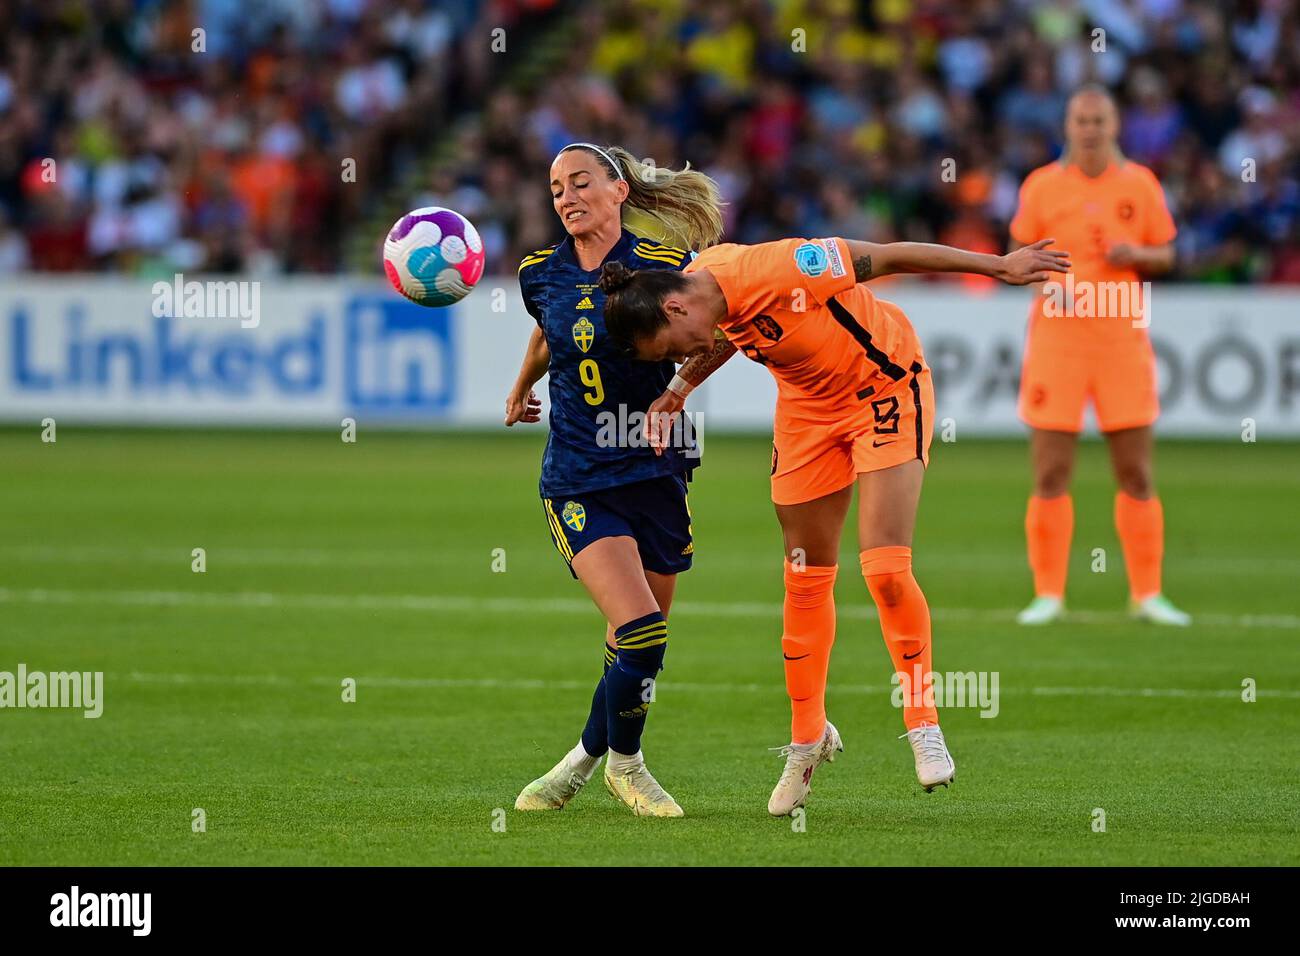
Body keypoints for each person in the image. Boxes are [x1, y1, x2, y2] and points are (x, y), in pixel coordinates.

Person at [602, 234, 1069, 814]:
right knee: (803, 576)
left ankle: (923, 721)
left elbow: (892, 254)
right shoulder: (703, 294)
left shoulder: (781, 266)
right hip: (806, 412)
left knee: (886, 569)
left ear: (675, 309)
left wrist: (999, 265)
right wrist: (678, 391)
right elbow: (724, 336)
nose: (675, 356)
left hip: (884, 390)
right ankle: (807, 740)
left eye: (668, 349)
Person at [507, 143, 728, 817]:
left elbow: (718, 334)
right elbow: (550, 334)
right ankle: (628, 768)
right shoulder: (539, 271)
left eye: (579, 184)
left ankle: (578, 763)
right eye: (555, 190)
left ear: (618, 191)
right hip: (579, 474)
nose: (566, 198)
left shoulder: (662, 267)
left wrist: (677, 392)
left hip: (656, 469)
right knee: (640, 631)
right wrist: (521, 387)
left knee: (637, 642)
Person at [1010, 85, 1190, 627]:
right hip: (1058, 342)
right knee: (1051, 471)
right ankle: (1048, 594)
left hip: (1120, 341)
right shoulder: (1041, 186)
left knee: (1135, 470)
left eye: (1099, 120)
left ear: (1116, 126)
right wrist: (1045, 286)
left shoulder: (1141, 183)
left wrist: (1138, 254)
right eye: (1081, 120)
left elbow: (1168, 252)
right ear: (1068, 126)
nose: (1090, 129)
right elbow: (1018, 260)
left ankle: (1147, 593)